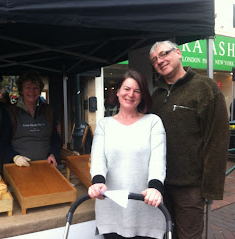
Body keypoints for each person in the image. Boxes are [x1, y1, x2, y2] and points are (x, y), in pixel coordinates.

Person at [149, 40, 230, 239]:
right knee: (166, 234)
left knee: (189, 236)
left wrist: (210, 187)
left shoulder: (205, 87)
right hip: (160, 184)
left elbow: (217, 139)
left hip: (191, 186)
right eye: (154, 60)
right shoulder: (155, 96)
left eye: (163, 54)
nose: (159, 61)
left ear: (178, 53)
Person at [88, 69, 167, 239]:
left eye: (137, 90)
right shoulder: (104, 125)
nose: (131, 94)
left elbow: (158, 160)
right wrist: (98, 183)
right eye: (126, 89)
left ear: (142, 95)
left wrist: (155, 187)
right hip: (111, 209)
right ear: (117, 91)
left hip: (146, 207)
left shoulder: (153, 122)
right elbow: (98, 159)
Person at [0, 71, 62, 167]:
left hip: (46, 164)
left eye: (35, 88)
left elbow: (56, 139)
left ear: (40, 90)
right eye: (27, 88)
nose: (32, 92)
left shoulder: (48, 110)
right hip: (19, 166)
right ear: (21, 90)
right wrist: (15, 157)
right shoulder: (11, 112)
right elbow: (3, 142)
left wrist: (53, 154)